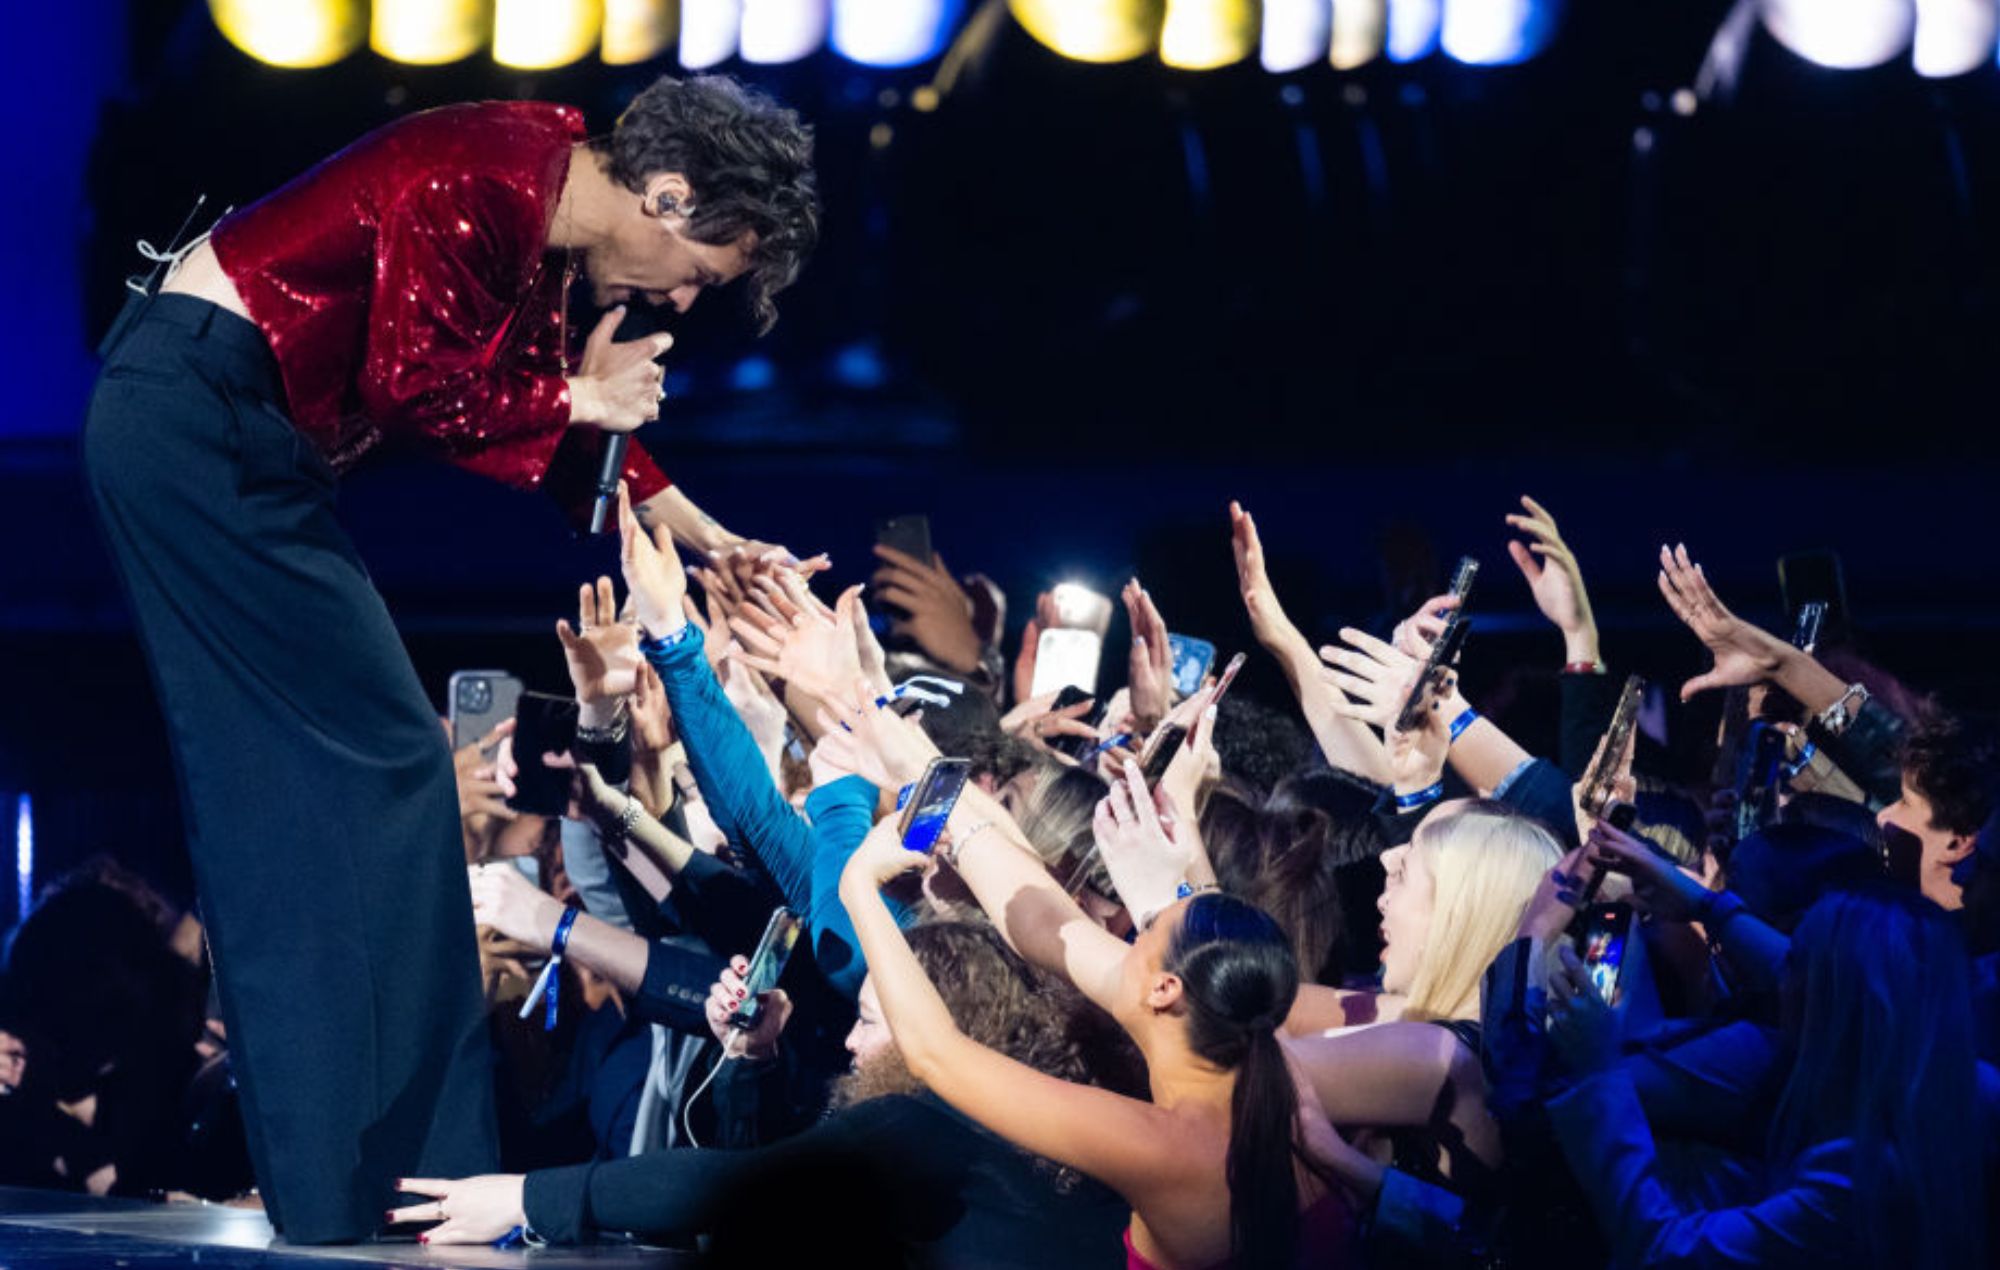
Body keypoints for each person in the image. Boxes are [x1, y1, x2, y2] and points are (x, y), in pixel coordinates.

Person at [80, 74, 819, 1242]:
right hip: (195, 423)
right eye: (697, 270)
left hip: (245, 446)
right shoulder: (482, 179)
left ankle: (393, 1171)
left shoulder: (544, 207)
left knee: (378, 777)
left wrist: (712, 540)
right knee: (363, 776)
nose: (682, 297)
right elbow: (419, 385)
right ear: (668, 194)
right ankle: (356, 1173)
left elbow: (562, 434)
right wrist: (583, 388)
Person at [389, 921, 1133, 1268]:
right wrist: (752, 1058)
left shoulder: (934, 1123)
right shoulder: (1014, 1119)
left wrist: (523, 1199)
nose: (849, 1043)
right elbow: (776, 1208)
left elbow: (740, 1185)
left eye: (870, 1023)